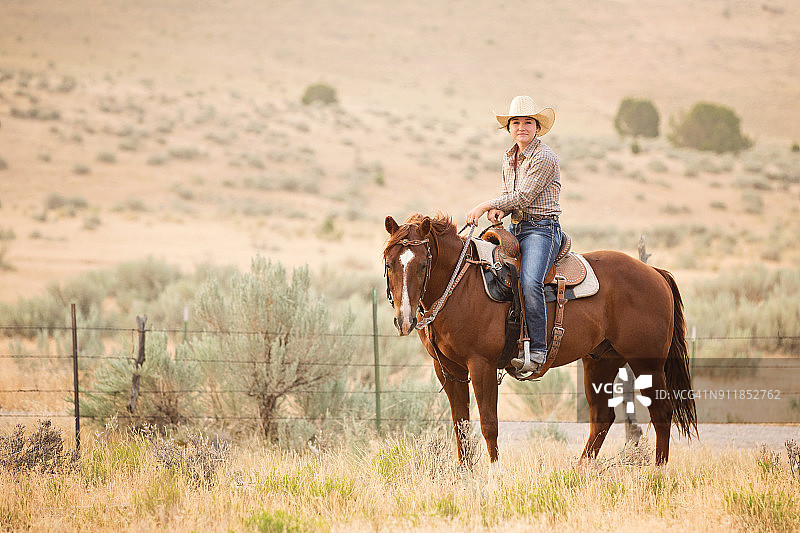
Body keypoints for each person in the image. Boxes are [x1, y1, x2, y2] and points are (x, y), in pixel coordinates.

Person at [465, 95, 562, 374]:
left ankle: (539, 350)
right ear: (509, 128)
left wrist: (487, 205)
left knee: (530, 281)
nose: (522, 127)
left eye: (528, 122)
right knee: (489, 272)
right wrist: (499, 213)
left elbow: (523, 195)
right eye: (516, 122)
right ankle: (505, 343)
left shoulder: (544, 157)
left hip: (542, 229)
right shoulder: (509, 157)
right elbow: (512, 198)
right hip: (517, 228)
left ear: (537, 127)